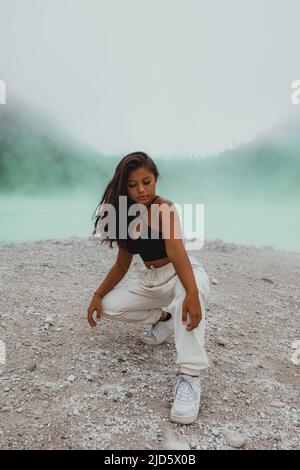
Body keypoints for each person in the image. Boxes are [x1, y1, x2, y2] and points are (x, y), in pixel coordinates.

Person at [87, 151, 210, 425]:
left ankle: (189, 377)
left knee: (192, 295)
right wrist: (97, 295)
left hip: (181, 273)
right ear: (123, 186)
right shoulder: (122, 214)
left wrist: (191, 292)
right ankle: (164, 319)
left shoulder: (165, 208)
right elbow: (122, 265)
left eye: (147, 181)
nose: (141, 190)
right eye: (133, 185)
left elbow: (178, 252)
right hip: (151, 280)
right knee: (108, 306)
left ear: (156, 179)